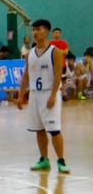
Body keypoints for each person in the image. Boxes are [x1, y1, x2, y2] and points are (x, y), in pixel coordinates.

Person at [17, 20, 69, 174]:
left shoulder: (55, 52)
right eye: (33, 30)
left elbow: (58, 75)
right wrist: (20, 95)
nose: (34, 32)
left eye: (38, 29)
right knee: (38, 129)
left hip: (49, 92)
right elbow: (26, 75)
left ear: (46, 32)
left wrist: (53, 95)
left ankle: (61, 161)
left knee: (54, 130)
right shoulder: (29, 54)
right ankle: (44, 159)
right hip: (34, 94)